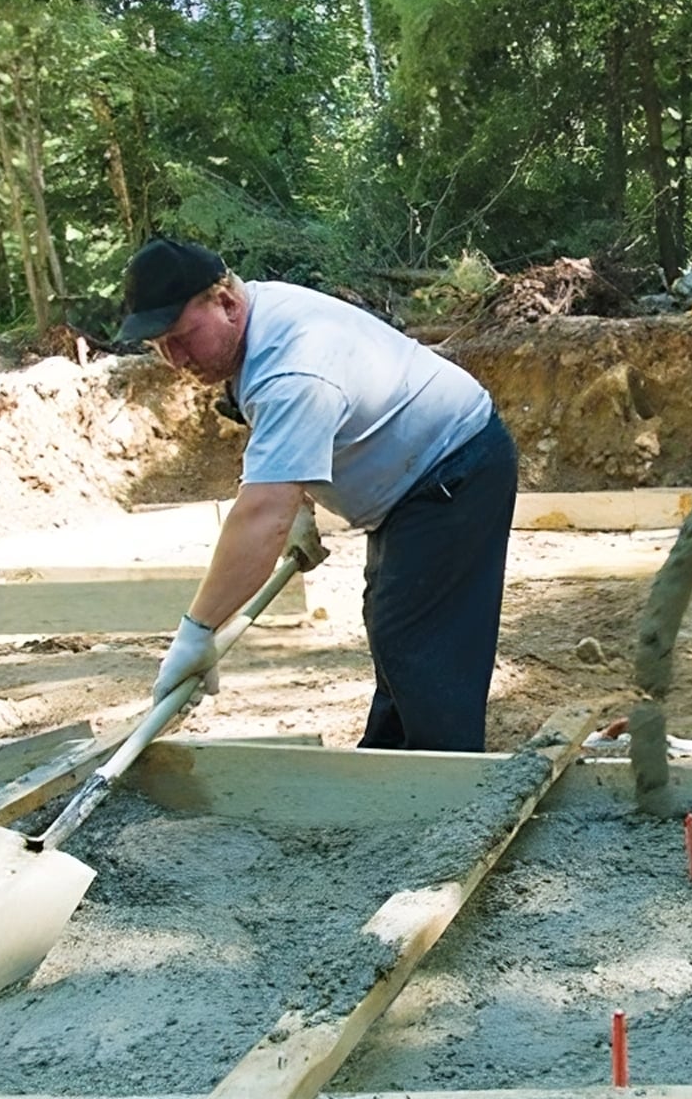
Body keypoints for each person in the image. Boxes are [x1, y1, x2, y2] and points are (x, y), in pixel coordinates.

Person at [115, 238, 517, 752]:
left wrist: (198, 633)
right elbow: (288, 448)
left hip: (452, 470)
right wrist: (302, 506)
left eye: (181, 338)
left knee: (416, 639)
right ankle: (394, 763)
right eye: (159, 346)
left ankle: (450, 791)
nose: (175, 359)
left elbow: (261, 517)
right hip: (416, 480)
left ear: (226, 302)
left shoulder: (291, 365)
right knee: (394, 625)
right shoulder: (257, 328)